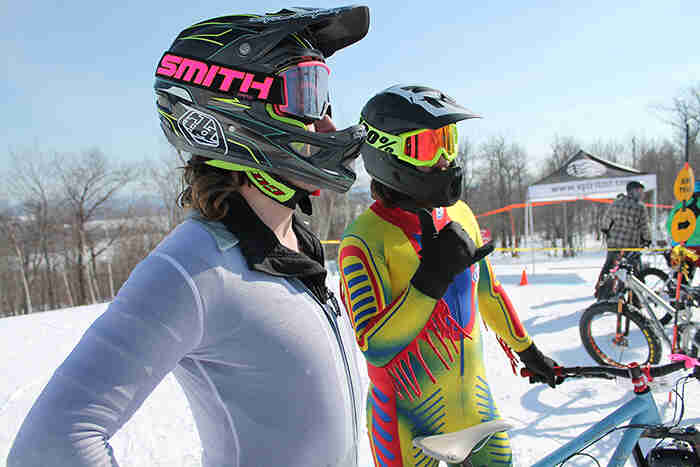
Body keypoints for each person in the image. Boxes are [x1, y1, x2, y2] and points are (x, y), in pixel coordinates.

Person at [8, 6, 370, 467]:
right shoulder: (195, 266)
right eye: (304, 96)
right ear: (232, 104)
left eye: (322, 98)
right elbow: (51, 445)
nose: (326, 126)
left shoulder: (295, 245)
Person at [337, 85, 561, 467]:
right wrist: (430, 280)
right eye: (426, 147)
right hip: (406, 419)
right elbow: (373, 343)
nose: (444, 160)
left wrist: (527, 350)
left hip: (475, 408)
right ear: (384, 153)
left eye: (449, 142)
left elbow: (488, 294)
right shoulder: (364, 238)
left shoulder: (462, 217)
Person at [595, 180, 651, 299]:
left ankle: (602, 294)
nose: (642, 194)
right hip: (631, 246)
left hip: (614, 244)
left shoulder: (616, 203)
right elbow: (644, 226)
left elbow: (606, 220)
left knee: (610, 268)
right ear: (633, 191)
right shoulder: (640, 207)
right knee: (633, 271)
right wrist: (647, 240)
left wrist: (606, 230)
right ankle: (635, 298)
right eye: (640, 191)